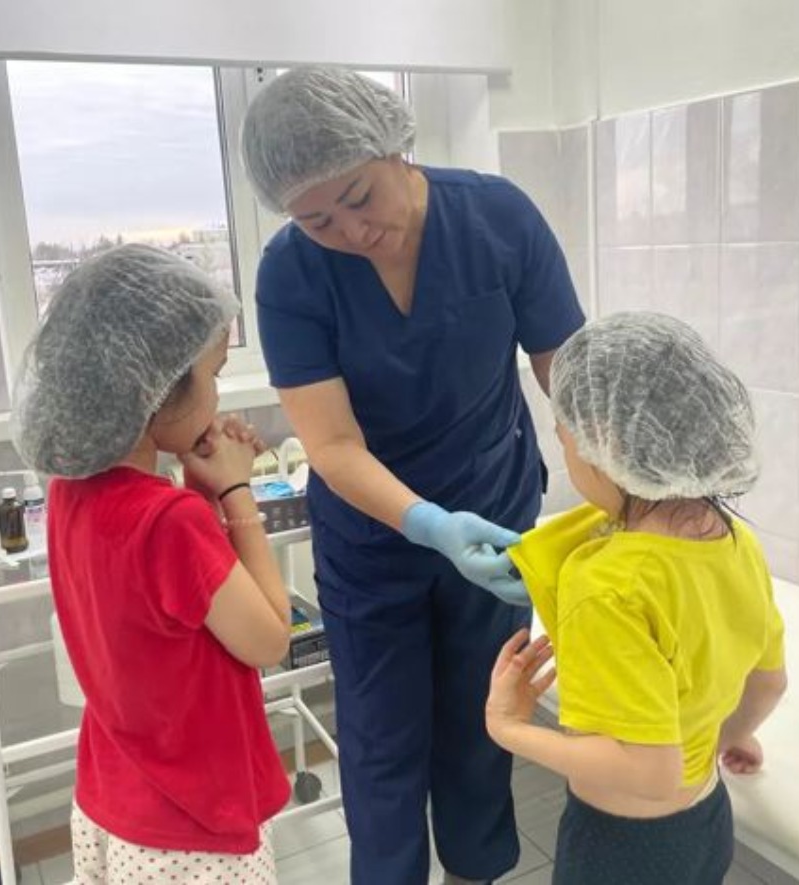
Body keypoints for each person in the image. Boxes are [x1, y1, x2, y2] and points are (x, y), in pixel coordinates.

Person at [240, 66, 585, 885]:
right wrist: (428, 524)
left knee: (481, 722)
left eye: (359, 196)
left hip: (495, 515)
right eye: (317, 219)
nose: (350, 230)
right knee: (380, 744)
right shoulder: (290, 273)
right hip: (371, 539)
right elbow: (331, 443)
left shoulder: (498, 217)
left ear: (395, 146)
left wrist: (619, 488)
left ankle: (476, 873)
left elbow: (569, 377)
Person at [11, 244, 293, 884]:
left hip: (113, 796)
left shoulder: (68, 492)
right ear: (156, 390)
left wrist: (197, 489)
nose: (217, 393)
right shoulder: (170, 521)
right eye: (213, 373)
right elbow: (270, 638)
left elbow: (167, 607)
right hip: (190, 831)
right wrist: (235, 490)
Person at [484, 312, 788, 885]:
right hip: (707, 819)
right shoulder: (732, 540)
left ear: (604, 446)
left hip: (624, 850)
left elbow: (649, 773)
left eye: (565, 437)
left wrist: (510, 729)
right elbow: (768, 681)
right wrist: (728, 735)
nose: (566, 451)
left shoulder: (607, 585)